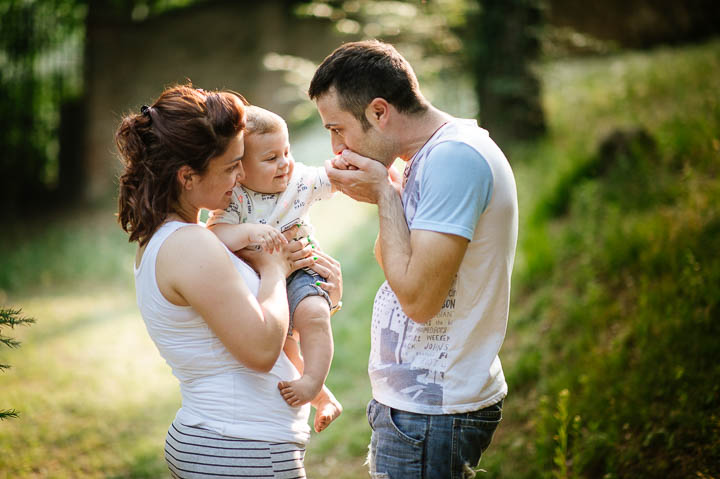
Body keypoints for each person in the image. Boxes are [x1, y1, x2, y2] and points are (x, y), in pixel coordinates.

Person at [308, 40, 518, 477]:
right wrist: (391, 191)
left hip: (434, 416)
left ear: (379, 112)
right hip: (416, 411)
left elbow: (419, 301)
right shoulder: (425, 159)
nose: (336, 149)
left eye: (338, 128)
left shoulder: (455, 159)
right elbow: (392, 262)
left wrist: (385, 193)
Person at [115, 84, 343, 478]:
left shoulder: (185, 237)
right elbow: (259, 350)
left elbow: (254, 320)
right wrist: (275, 268)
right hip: (239, 448)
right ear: (187, 176)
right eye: (230, 166)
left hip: (236, 444)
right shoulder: (190, 245)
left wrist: (323, 299)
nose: (240, 177)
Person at [206, 105, 342, 427]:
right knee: (282, 343)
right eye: (271, 158)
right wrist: (248, 231)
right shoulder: (236, 198)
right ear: (241, 168)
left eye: (287, 151)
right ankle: (321, 396)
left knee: (314, 315)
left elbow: (335, 177)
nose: (284, 164)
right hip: (266, 282)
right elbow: (215, 233)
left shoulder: (300, 180)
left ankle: (312, 381)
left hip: (304, 269)